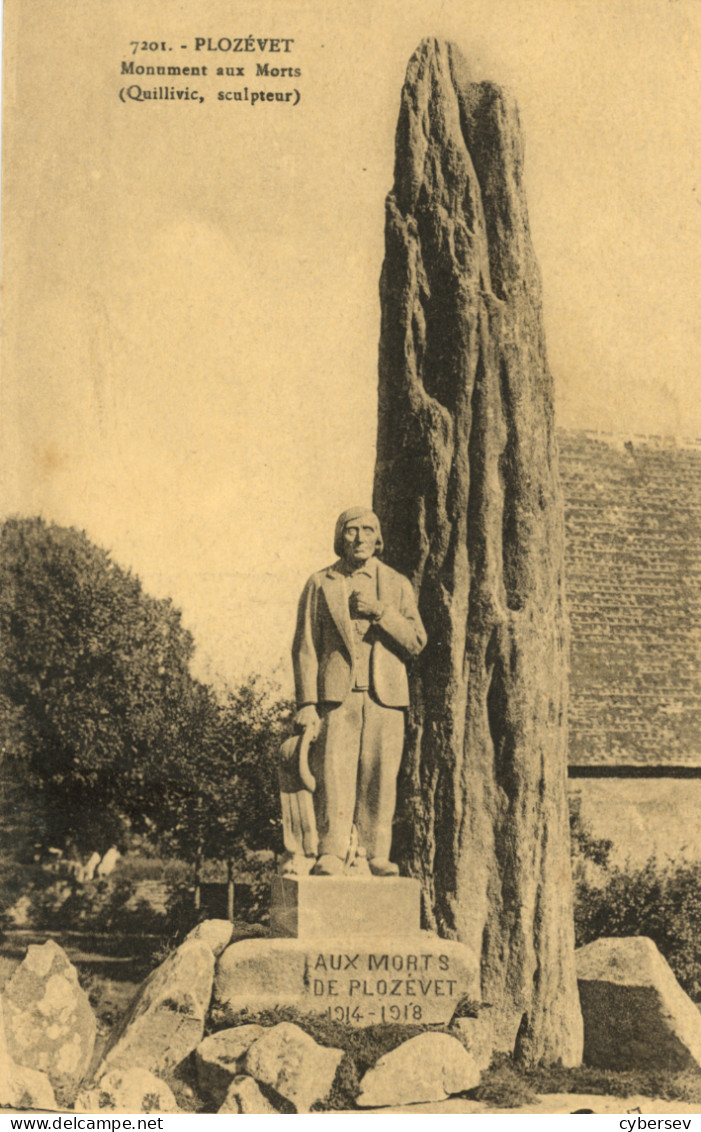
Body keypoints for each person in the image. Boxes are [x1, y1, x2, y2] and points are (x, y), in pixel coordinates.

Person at [292, 506, 427, 876]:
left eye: (368, 530)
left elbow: (417, 641)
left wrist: (381, 612)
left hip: (386, 698)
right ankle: (332, 851)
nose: (360, 537)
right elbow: (305, 646)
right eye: (351, 530)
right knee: (334, 774)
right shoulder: (320, 583)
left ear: (378, 538)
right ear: (340, 537)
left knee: (380, 778)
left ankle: (374, 853)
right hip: (337, 697)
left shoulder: (397, 584)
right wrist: (306, 702)